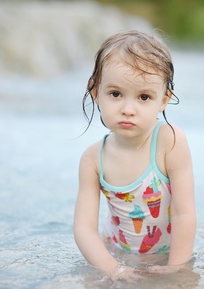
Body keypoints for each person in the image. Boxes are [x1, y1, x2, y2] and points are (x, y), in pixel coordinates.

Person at [73, 30, 196, 281]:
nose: (128, 109)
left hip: (169, 253)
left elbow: (185, 213)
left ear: (163, 100)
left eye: (144, 97)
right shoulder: (93, 158)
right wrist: (113, 268)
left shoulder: (169, 141)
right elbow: (84, 228)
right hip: (115, 253)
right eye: (115, 94)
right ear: (96, 92)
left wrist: (177, 268)